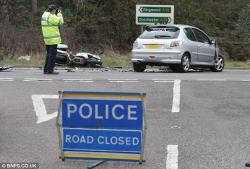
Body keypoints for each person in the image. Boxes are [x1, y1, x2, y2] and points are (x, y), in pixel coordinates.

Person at [41, 4, 64, 74]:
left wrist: (55, 15)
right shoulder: (51, 16)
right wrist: (59, 14)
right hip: (53, 39)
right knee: (52, 56)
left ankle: (46, 70)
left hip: (47, 39)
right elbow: (60, 22)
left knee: (48, 55)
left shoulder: (44, 15)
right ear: (53, 10)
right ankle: (50, 70)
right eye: (55, 10)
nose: (55, 12)